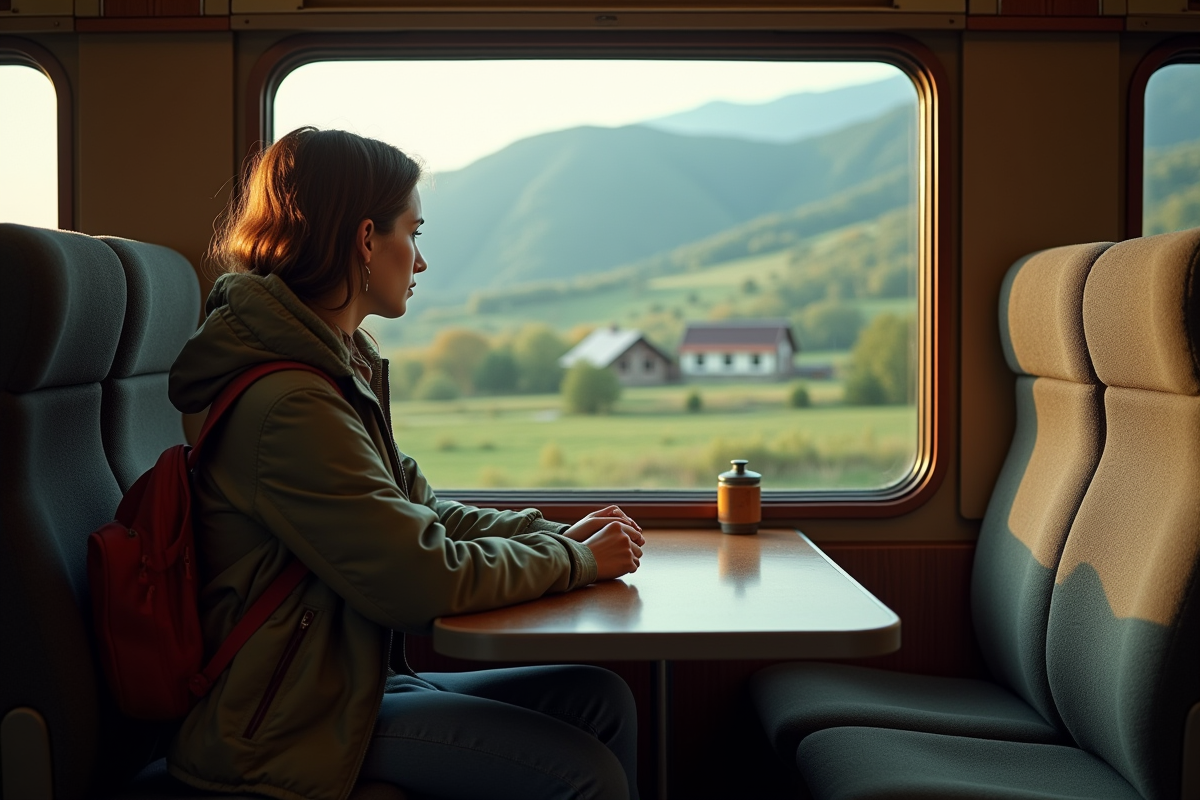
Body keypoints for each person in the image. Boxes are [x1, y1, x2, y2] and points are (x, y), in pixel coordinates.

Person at [166, 127, 645, 800]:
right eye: (413, 234)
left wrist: (555, 536)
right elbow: (420, 576)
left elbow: (424, 513)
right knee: (581, 775)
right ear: (366, 241)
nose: (419, 261)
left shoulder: (335, 369)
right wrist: (576, 563)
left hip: (342, 678)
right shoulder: (290, 405)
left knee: (599, 698)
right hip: (283, 721)